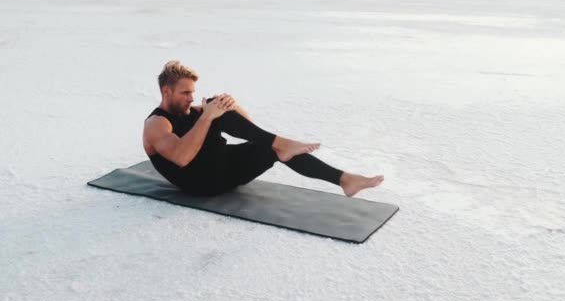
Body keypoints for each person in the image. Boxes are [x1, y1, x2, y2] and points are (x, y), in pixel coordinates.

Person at [142, 60, 384, 197]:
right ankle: (282, 143)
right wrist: (208, 118)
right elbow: (182, 158)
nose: (190, 97)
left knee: (266, 143)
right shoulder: (157, 124)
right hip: (202, 183)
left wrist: (230, 108)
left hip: (226, 170)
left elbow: (247, 126)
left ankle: (345, 180)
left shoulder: (195, 111)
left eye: (192, 92)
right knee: (216, 115)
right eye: (185, 93)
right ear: (166, 91)